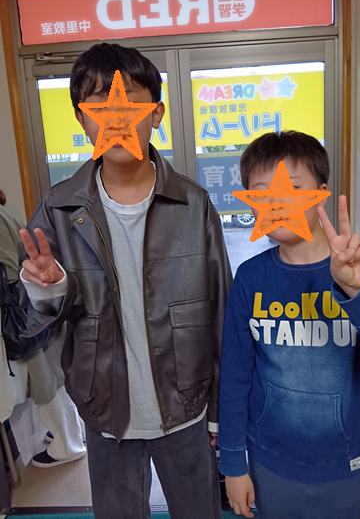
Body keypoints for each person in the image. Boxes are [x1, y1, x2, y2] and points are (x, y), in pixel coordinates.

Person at [18, 43, 232, 519]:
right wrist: (49, 288)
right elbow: (32, 321)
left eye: (130, 102)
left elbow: (221, 311)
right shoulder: (58, 208)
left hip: (188, 405)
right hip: (104, 408)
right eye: (99, 105)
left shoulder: (194, 205)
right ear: (82, 119)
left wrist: (221, 411)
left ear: (156, 113)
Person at [217, 131, 360, 519]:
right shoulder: (249, 278)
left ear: (322, 194)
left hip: (347, 467)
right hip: (270, 466)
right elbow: (234, 377)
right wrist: (232, 463)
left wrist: (359, 291)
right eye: (261, 193)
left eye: (292, 188)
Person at [0, 190, 85, 468]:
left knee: (45, 382)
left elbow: (7, 272)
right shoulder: (5, 210)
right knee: (55, 376)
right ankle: (72, 432)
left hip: (22, 309)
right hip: (34, 303)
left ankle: (68, 445)